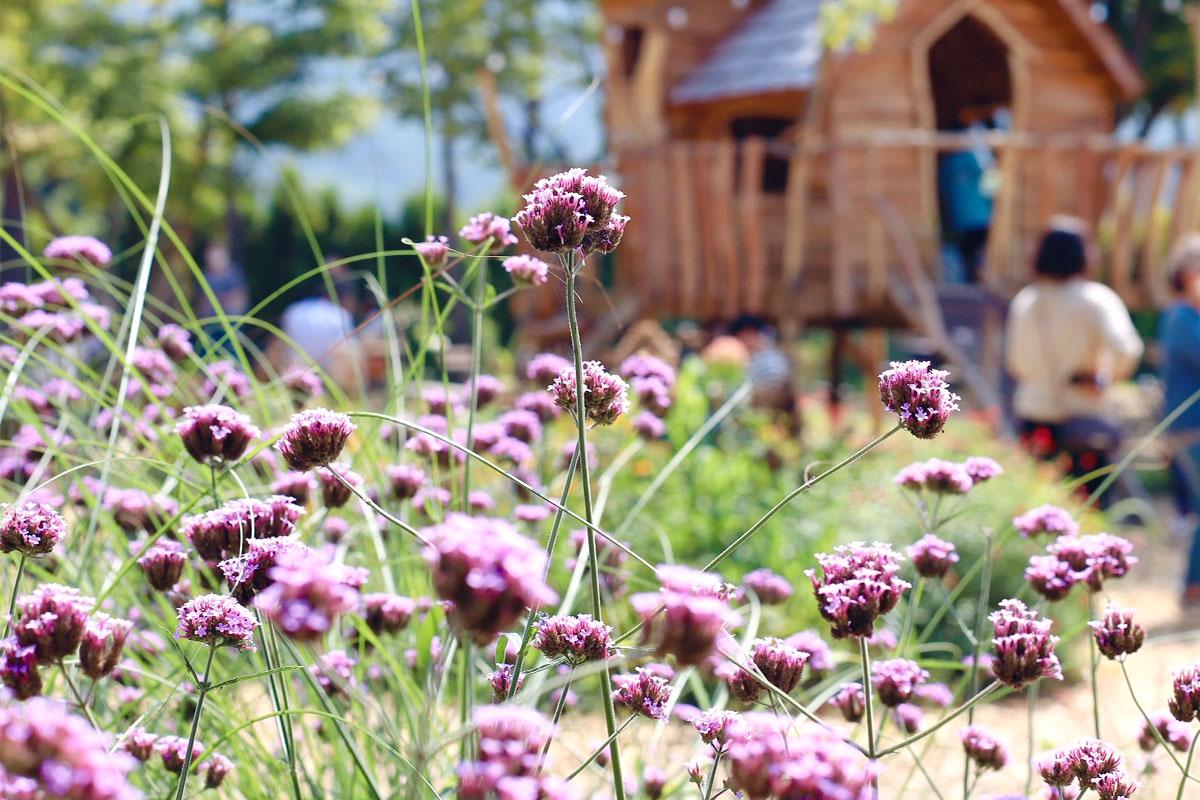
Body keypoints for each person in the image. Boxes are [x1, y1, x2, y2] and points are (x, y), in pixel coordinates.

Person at [1005, 217, 1143, 499]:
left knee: (1036, 507)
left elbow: (1015, 363)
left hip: (1034, 417)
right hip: (1083, 420)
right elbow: (1128, 348)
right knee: (1085, 508)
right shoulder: (1096, 299)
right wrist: (1104, 378)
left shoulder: (1026, 300)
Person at [1159, 234, 1200, 606]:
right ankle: (1193, 587)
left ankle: (1193, 586)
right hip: (1190, 428)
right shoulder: (1181, 318)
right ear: (1188, 274)